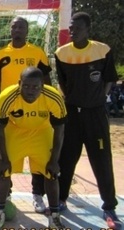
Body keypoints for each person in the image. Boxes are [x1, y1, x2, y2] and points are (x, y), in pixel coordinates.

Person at [55, 12, 122, 229]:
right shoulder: (62, 53)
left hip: (95, 114)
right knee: (66, 158)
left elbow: (110, 78)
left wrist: (101, 97)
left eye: (77, 28)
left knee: (101, 159)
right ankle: (61, 199)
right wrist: (72, 100)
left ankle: (109, 207)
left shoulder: (102, 50)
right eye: (71, 28)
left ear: (87, 29)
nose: (72, 31)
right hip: (72, 113)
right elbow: (63, 83)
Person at [0, 67, 66, 229]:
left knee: (51, 173)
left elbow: (59, 130)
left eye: (35, 87)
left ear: (42, 86)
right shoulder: (7, 97)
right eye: (26, 86)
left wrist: (55, 160)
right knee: (3, 171)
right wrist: (3, 158)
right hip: (15, 131)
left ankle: (54, 216)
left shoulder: (53, 97)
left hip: (41, 131)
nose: (30, 91)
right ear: (19, 84)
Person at [0, 16, 52, 213]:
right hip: (9, 114)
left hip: (36, 114)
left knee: (39, 160)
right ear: (10, 30)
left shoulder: (37, 52)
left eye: (21, 27)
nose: (17, 30)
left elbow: (48, 81)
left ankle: (37, 195)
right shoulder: (0, 54)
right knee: (6, 158)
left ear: (27, 31)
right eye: (14, 27)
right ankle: (6, 196)